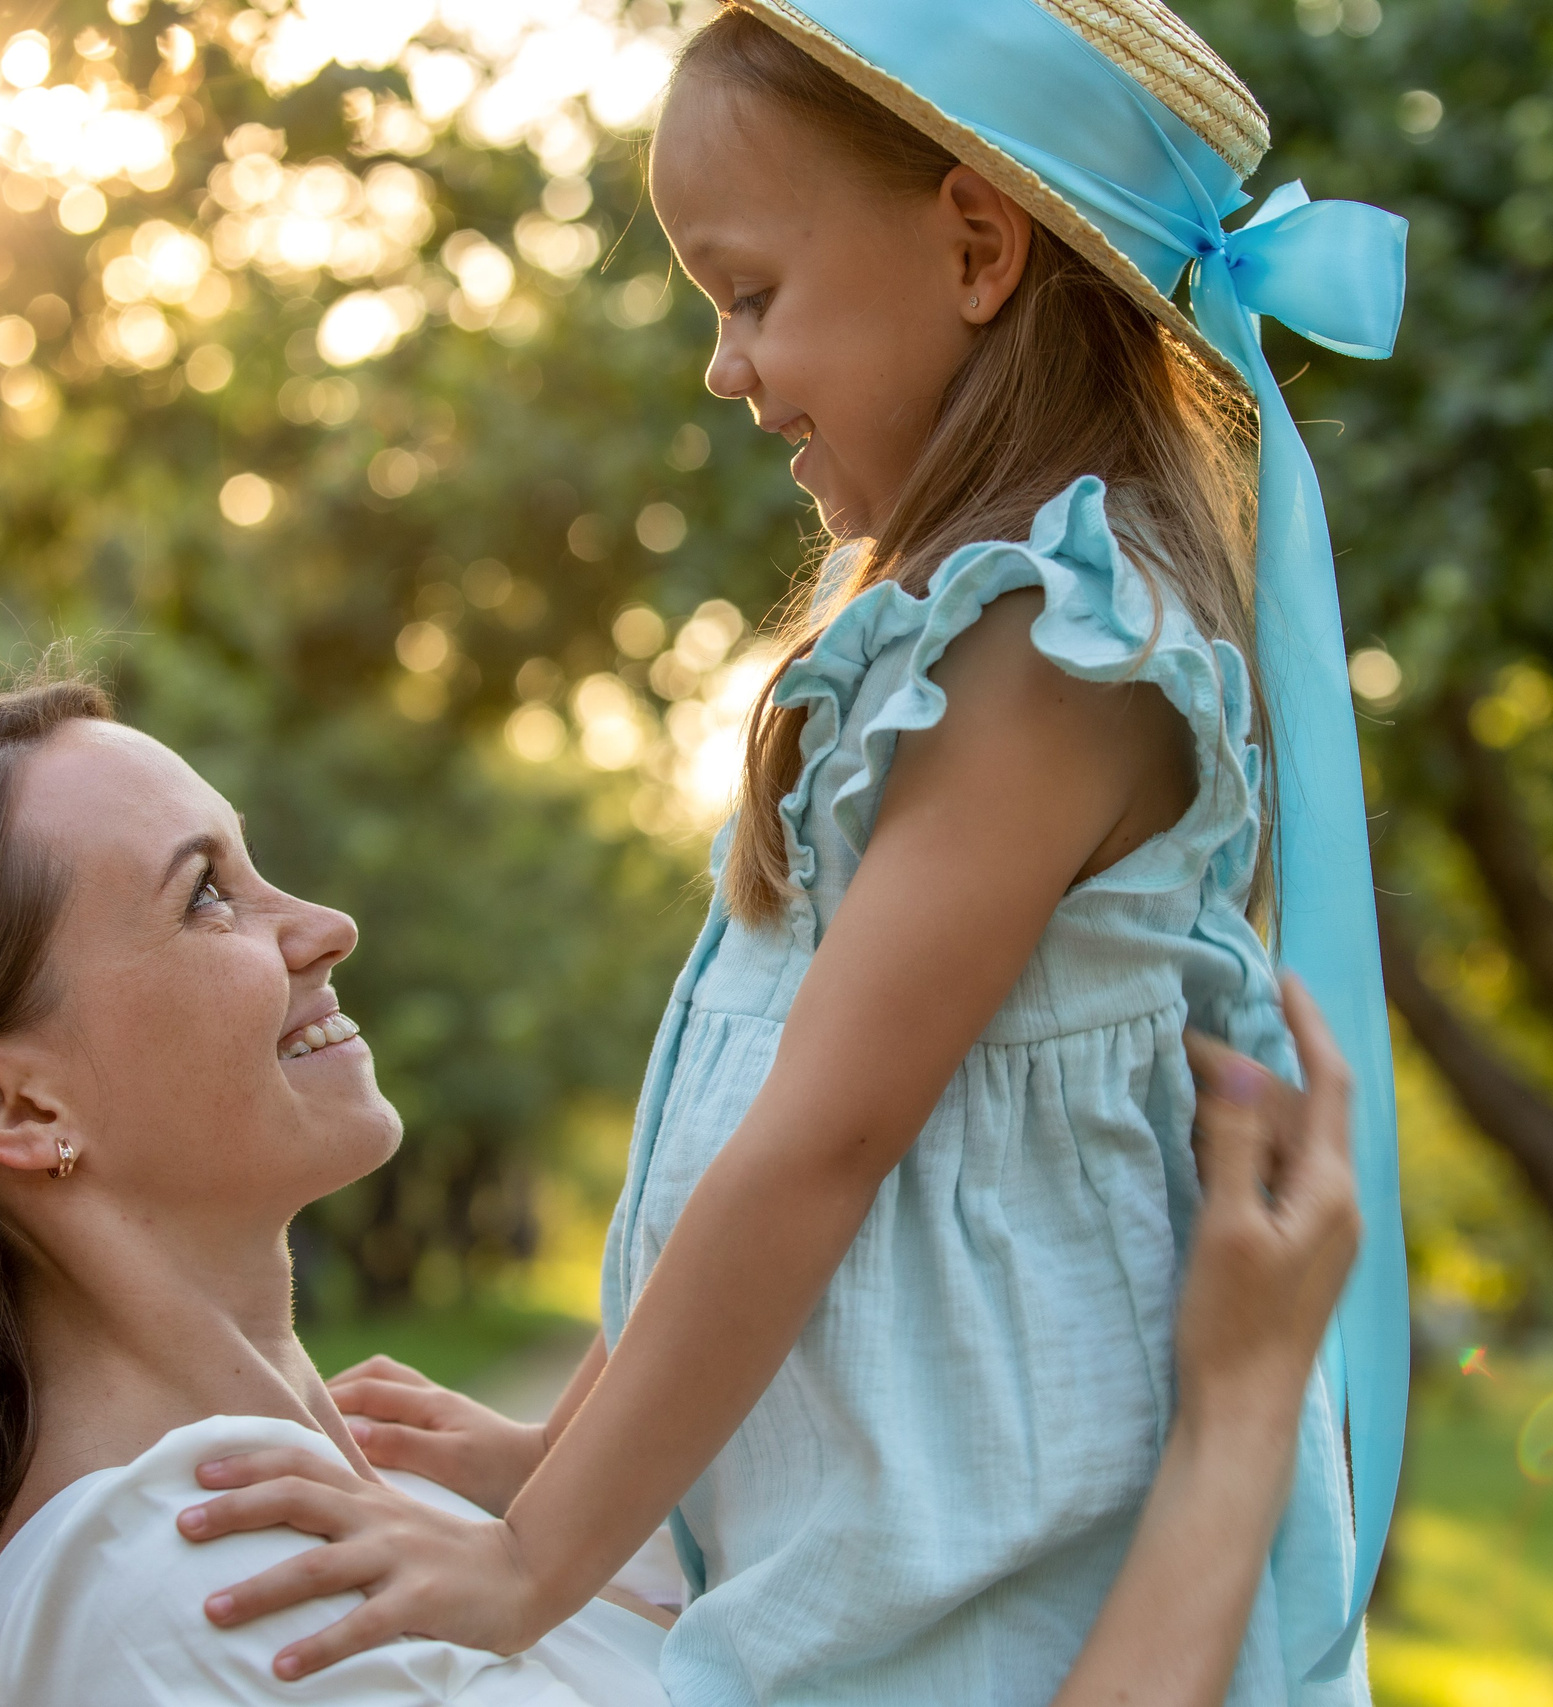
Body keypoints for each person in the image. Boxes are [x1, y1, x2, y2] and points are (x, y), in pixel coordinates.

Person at [180, 3, 1412, 1703]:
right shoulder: (958, 638)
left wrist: (538, 1562)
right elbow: (755, 1152)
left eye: (750, 293)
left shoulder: (1057, 644)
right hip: (918, 1550)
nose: (723, 364)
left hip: (1005, 1585)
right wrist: (559, 1455)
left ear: (977, 245)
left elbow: (823, 1150)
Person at [0, 681, 1361, 1706]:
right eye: (205, 899)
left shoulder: (397, 1524)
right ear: (15, 1101)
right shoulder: (187, 1593)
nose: (318, 925)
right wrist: (1236, 1431)